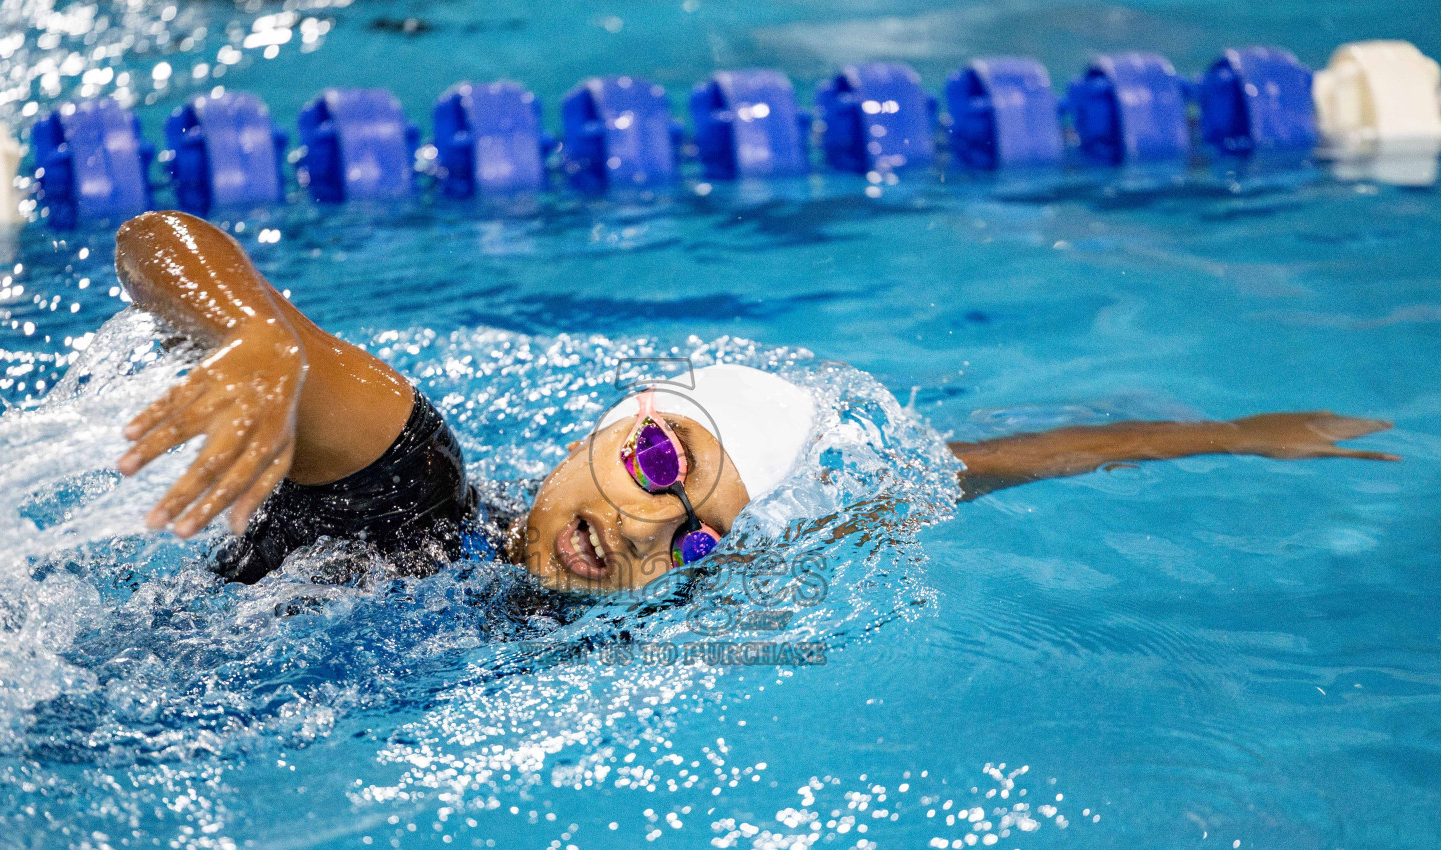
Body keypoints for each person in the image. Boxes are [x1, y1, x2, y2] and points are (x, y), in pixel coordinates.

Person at [113, 211, 1397, 592]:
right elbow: (160, 238)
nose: (643, 528)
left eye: (698, 534)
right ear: (613, 422)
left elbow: (951, 469)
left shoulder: (637, 595)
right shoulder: (406, 481)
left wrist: (1226, 437)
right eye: (659, 464)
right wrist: (257, 347)